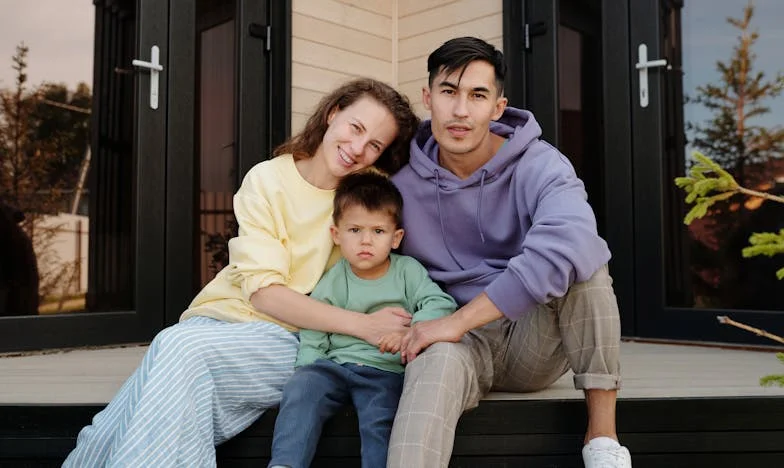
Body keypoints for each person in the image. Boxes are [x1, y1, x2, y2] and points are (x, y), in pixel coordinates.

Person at [63, 77, 420, 468]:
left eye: (374, 145)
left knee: (171, 359)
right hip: (221, 320)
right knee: (164, 363)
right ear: (333, 113)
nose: (357, 149)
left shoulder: (369, 198)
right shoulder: (268, 178)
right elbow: (263, 292)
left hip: (296, 336)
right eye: (356, 128)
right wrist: (365, 325)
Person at [387, 37, 633, 468]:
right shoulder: (400, 182)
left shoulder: (540, 164)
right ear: (428, 98)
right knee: (433, 361)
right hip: (458, 344)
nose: (460, 110)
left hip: (531, 337)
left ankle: (602, 439)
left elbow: (568, 242)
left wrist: (457, 321)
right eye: (448, 92)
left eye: (477, 95)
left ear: (498, 107)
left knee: (585, 262)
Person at [267, 172, 456, 468]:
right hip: (333, 367)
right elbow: (316, 324)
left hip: (385, 371)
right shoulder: (334, 278)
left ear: (396, 238)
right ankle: (285, 463)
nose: (366, 241)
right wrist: (308, 364)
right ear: (336, 235)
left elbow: (439, 303)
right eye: (355, 230)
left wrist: (411, 334)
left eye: (378, 232)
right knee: (301, 390)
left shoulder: (408, 272)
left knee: (380, 419)